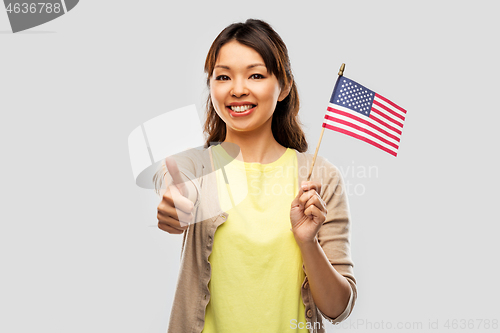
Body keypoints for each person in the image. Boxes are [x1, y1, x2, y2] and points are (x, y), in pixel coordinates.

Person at [154, 19, 356, 333]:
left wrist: (308, 243)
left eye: (256, 75)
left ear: (284, 86)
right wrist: (178, 201)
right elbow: (173, 180)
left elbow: (337, 308)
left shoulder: (320, 176)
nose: (237, 89)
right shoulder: (197, 166)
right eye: (223, 76)